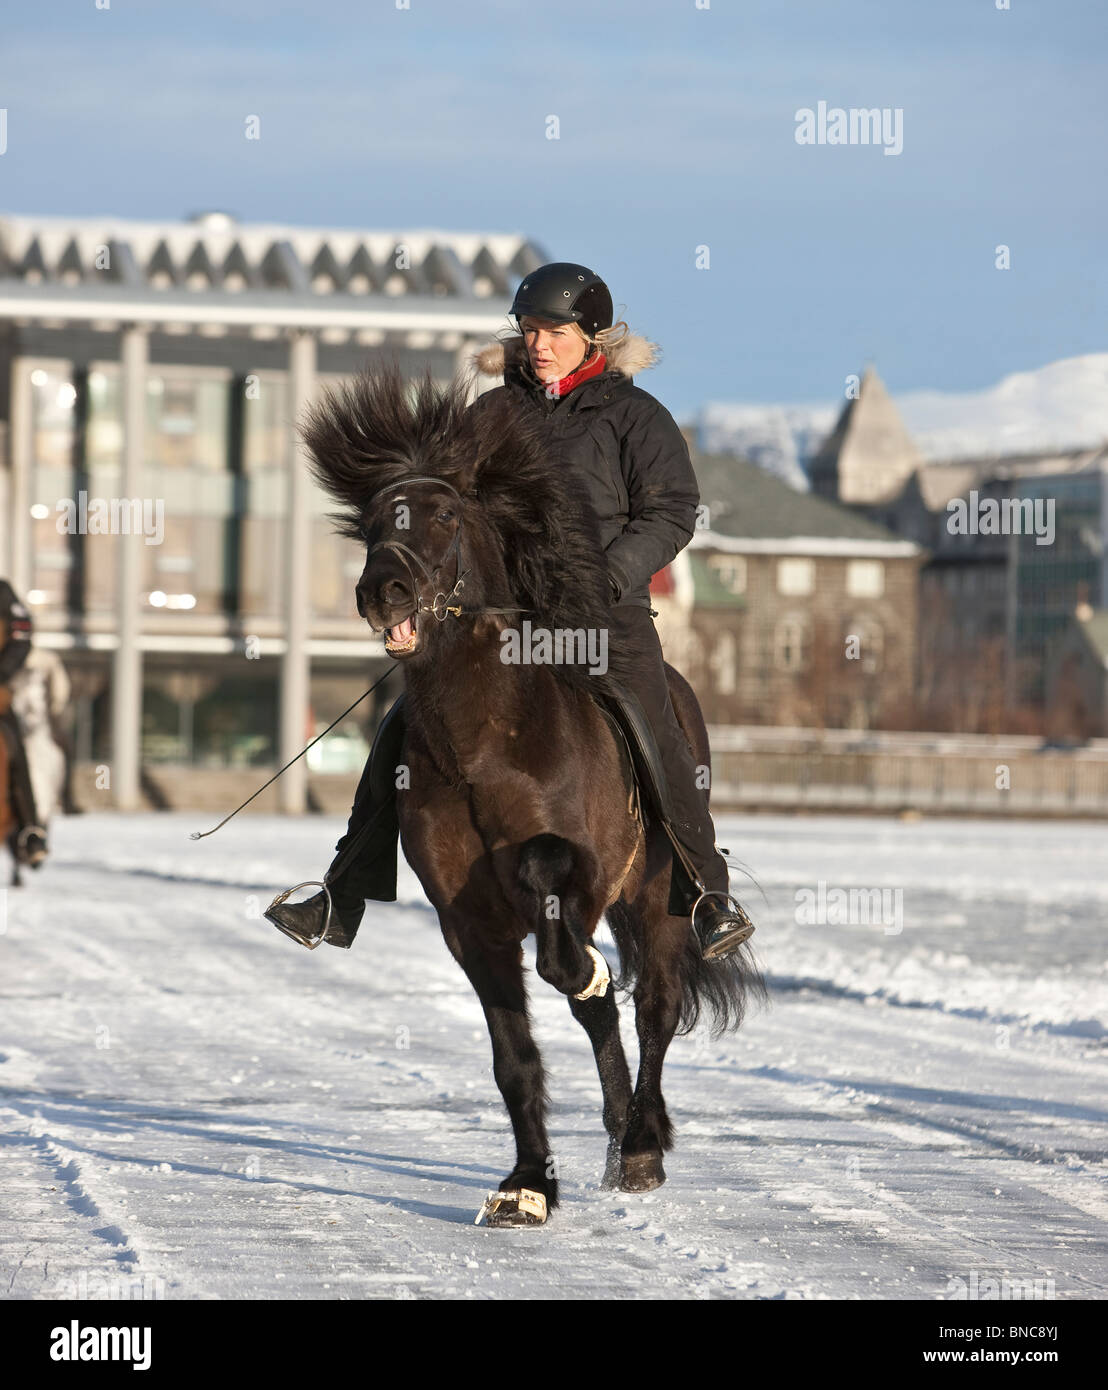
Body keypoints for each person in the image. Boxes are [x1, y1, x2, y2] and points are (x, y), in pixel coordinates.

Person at [267, 263, 754, 960]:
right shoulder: (489, 416)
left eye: (554, 331)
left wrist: (602, 574)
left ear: (593, 336)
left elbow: (672, 513)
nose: (539, 343)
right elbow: (447, 513)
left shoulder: (636, 418)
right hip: (501, 622)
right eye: (528, 330)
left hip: (604, 618)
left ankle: (706, 895)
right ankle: (340, 896)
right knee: (403, 729)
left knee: (655, 728)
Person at [0, 578, 48, 866]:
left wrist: (2, 675)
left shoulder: (3, 593)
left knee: (14, 746)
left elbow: (21, 636)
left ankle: (29, 830)